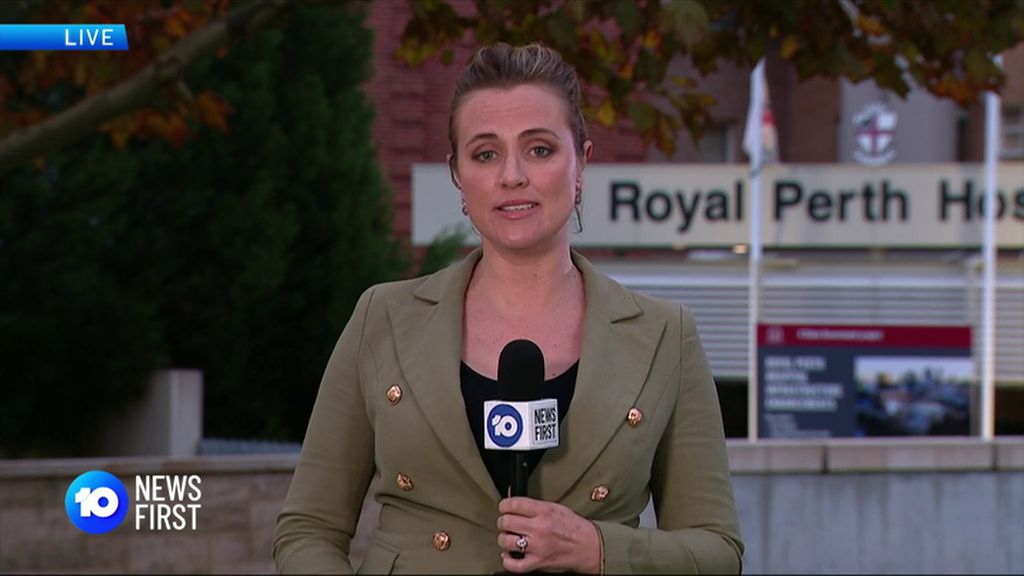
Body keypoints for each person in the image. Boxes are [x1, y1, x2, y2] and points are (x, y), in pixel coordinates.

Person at [274, 42, 743, 574]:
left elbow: (718, 552)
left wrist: (597, 548)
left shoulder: (665, 336)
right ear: (457, 172)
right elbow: (307, 530)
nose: (512, 175)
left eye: (539, 149)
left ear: (582, 162)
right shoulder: (382, 319)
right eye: (485, 153)